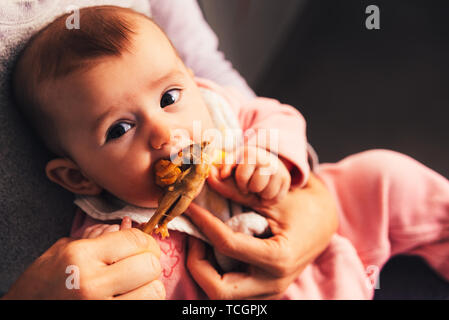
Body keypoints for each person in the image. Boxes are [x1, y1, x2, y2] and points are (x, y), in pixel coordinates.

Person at [9, 5, 449, 300]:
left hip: (324, 240)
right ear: (78, 178)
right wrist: (120, 266)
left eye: (169, 97)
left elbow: (275, 116)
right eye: (120, 128)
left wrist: (271, 159)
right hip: (238, 294)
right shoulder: (109, 230)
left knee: (382, 174)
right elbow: (107, 276)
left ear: (188, 77)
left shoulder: (216, 108)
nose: (164, 131)